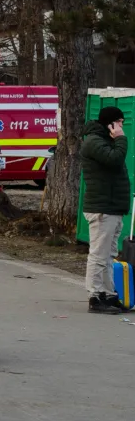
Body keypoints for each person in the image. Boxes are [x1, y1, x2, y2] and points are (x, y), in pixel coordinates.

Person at [81, 107, 130, 315]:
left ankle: (109, 294)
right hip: (102, 208)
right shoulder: (94, 142)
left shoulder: (104, 141)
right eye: (119, 123)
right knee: (99, 254)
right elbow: (114, 159)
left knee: (109, 254)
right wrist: (120, 139)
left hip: (111, 206)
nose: (121, 127)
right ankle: (95, 295)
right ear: (110, 124)